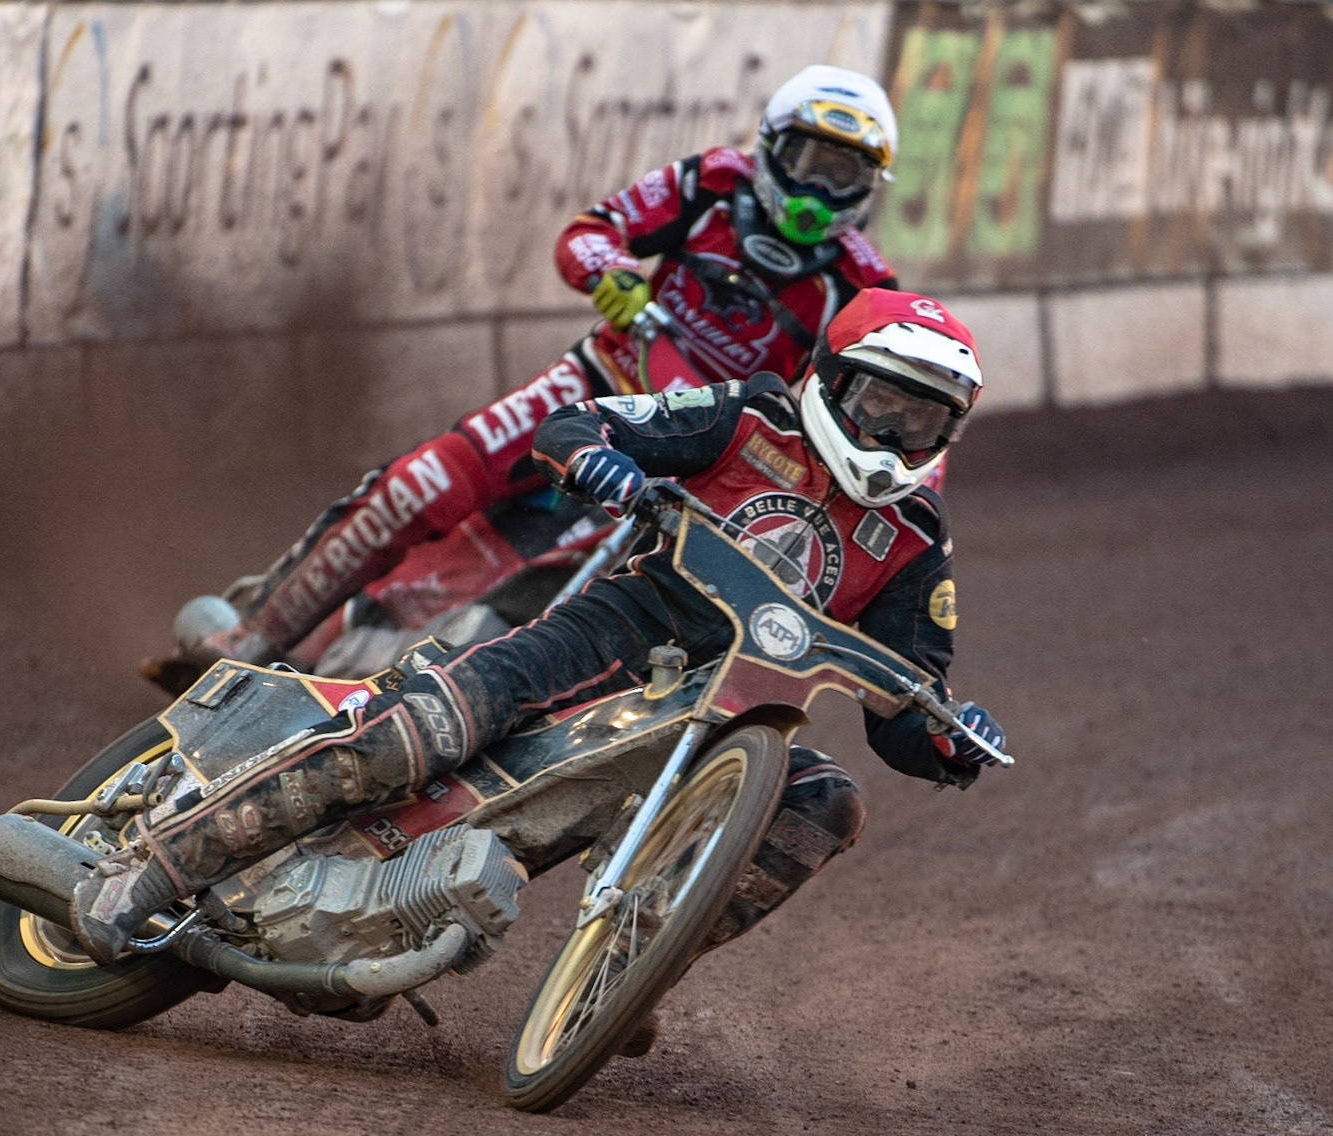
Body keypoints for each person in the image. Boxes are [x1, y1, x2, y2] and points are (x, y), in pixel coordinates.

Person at [70, 289, 1009, 992]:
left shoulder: (917, 539)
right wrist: (602, 461)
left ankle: (628, 971)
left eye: (921, 418)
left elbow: (908, 691)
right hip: (615, 632)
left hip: (732, 717)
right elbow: (577, 424)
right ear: (831, 379)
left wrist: (944, 735)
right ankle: (153, 868)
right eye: (881, 403)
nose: (894, 433)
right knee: (422, 731)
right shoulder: (749, 414)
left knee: (827, 803)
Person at [145, 65, 906, 690]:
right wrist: (609, 274)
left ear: (870, 189)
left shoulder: (862, 288)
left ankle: (350, 675)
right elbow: (589, 232)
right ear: (772, 146)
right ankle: (251, 634)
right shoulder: (709, 182)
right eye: (810, 162)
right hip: (595, 379)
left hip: (682, 451)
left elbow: (833, 414)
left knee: (528, 594)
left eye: (845, 175)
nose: (819, 191)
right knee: (419, 486)